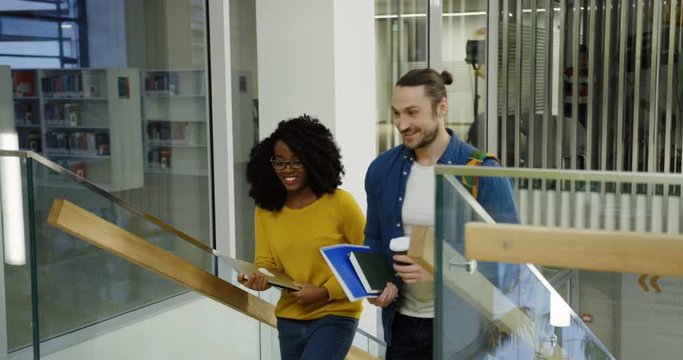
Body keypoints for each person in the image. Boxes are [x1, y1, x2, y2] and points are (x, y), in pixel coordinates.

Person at [364, 68, 519, 359]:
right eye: (397, 113)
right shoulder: (381, 169)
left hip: (465, 328)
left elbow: (510, 255)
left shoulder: (482, 172)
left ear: (442, 108)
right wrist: (378, 280)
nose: (402, 124)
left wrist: (442, 269)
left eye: (412, 112)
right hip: (402, 325)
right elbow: (374, 235)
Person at [239, 115, 366, 360]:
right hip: (289, 318)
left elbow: (367, 261)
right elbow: (267, 262)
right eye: (280, 162)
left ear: (313, 161)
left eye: (297, 162)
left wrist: (325, 292)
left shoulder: (341, 204)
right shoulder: (265, 208)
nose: (287, 170)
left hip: (335, 314)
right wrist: (259, 277)